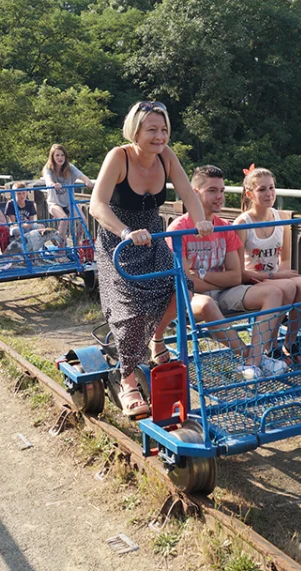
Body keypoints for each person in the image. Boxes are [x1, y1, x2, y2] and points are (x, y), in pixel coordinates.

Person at [90, 101, 213, 417]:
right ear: (136, 131)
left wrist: (200, 221)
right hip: (118, 242)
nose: (160, 136)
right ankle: (127, 380)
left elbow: (188, 194)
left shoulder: (166, 156)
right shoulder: (119, 157)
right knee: (130, 310)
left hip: (153, 239)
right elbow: (97, 205)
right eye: (152, 130)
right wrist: (126, 231)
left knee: (180, 286)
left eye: (164, 130)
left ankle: (156, 340)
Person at [168, 165, 288, 377]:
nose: (220, 196)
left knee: (273, 293)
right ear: (195, 193)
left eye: (222, 191)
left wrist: (202, 276)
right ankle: (249, 358)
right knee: (206, 303)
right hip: (189, 298)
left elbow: (235, 275)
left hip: (222, 292)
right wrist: (212, 279)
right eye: (212, 191)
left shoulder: (225, 227)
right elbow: (187, 282)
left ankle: (254, 360)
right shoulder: (179, 229)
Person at [234, 165, 301, 365]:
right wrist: (276, 277)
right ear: (250, 194)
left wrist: (281, 275)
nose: (269, 194)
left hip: (275, 276)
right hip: (251, 279)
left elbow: (284, 260)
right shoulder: (243, 223)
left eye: (272, 188)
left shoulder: (281, 218)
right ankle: (270, 344)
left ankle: (290, 341)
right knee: (285, 286)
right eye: (262, 190)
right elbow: (238, 269)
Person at [42, 144, 93, 244]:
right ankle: (61, 247)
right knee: (64, 219)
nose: (60, 158)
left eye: (62, 155)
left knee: (83, 220)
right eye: (57, 155)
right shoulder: (48, 168)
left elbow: (81, 175)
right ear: (52, 157)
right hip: (54, 203)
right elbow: (48, 179)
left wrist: (87, 182)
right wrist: (53, 184)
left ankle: (77, 242)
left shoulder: (69, 167)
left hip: (69, 202)